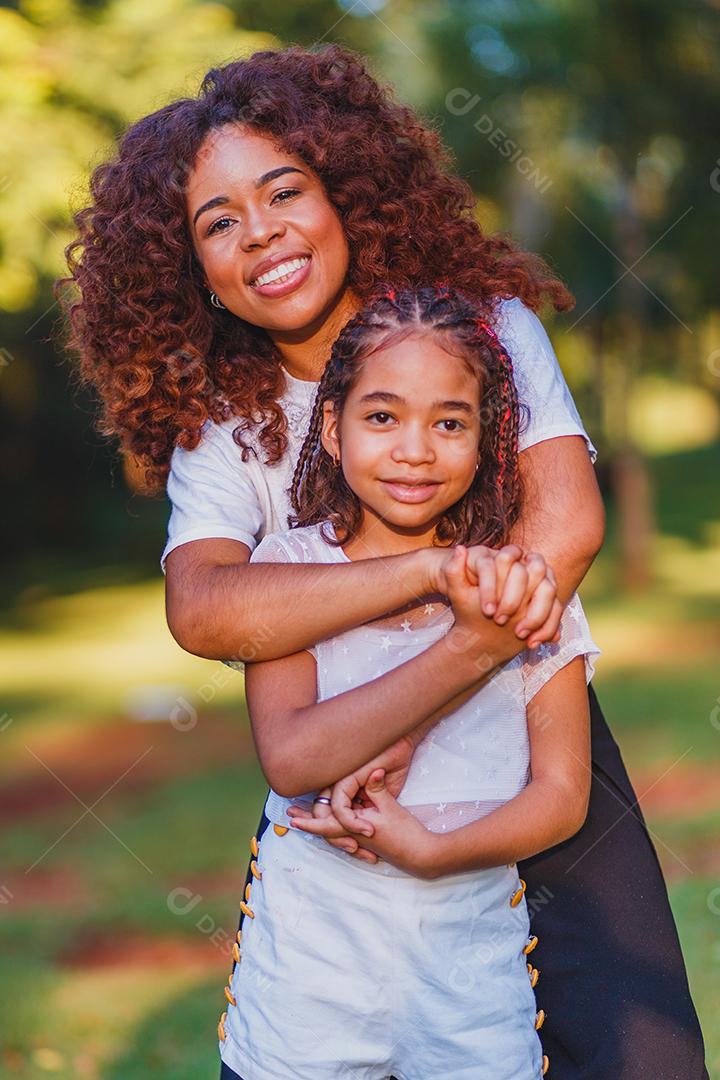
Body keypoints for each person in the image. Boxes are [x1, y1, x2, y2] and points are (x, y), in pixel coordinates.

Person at [59, 44, 707, 1080]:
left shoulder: (481, 331)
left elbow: (566, 527)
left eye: (283, 191)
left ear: (345, 192)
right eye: (217, 223)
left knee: (640, 1053)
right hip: (339, 755)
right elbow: (207, 607)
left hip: (526, 720)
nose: (259, 231)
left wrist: (436, 685)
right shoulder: (223, 426)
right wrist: (417, 594)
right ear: (194, 272)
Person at [217, 284, 601, 1079]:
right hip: (310, 977)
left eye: (449, 422)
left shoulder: (525, 591)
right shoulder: (289, 576)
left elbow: (563, 794)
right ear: (331, 426)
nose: (416, 451)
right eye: (383, 416)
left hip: (472, 978)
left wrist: (437, 850)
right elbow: (292, 761)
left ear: (485, 441)